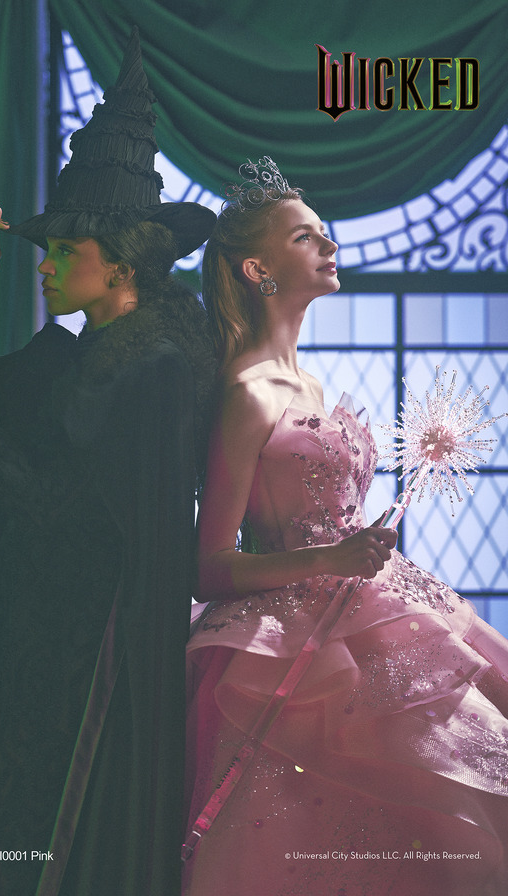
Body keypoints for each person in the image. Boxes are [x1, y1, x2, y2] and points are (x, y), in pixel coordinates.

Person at [0, 29, 216, 896]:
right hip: (16, 642)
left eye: (65, 252)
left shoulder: (157, 373)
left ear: (121, 267)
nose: (44, 268)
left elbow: (60, 506)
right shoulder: (64, 359)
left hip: (88, 669)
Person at [182, 157, 508, 896]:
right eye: (305, 237)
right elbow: (208, 566)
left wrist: (351, 553)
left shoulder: (310, 384)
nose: (329, 245)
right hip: (287, 647)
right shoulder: (247, 393)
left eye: (323, 233)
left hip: (372, 608)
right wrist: (330, 557)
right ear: (258, 269)